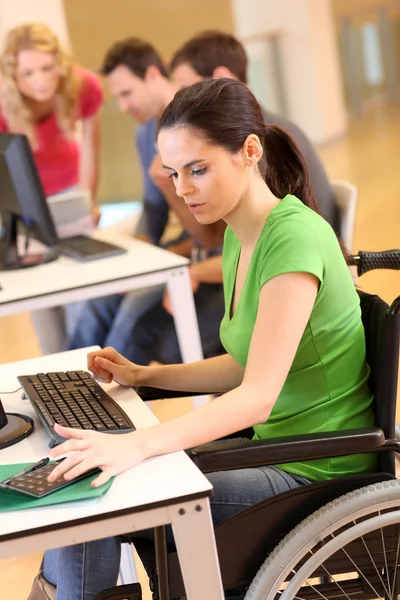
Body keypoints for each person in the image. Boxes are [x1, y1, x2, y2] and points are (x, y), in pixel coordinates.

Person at [35, 78, 375, 600]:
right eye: (174, 173)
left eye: (198, 169)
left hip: (316, 468)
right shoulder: (243, 234)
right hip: (276, 451)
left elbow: (257, 396)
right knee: (89, 469)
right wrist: (146, 376)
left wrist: (138, 445)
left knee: (101, 484)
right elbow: (245, 365)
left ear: (250, 152)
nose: (183, 188)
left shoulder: (293, 236)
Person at [67, 38, 226, 363]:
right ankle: (63, 390)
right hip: (187, 248)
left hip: (212, 254)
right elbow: (153, 211)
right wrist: (137, 258)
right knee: (101, 299)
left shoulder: (199, 127)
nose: (122, 107)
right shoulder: (145, 134)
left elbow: (213, 233)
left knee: (131, 310)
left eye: (126, 93)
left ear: (153, 75)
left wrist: (168, 189)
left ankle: (104, 402)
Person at [0, 22, 103, 224]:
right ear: (13, 75)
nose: (40, 80)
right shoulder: (3, 103)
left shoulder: (84, 85)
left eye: (47, 68)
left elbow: (91, 149)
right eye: (28, 73)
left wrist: (87, 202)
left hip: (70, 185)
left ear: (60, 64)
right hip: (22, 193)